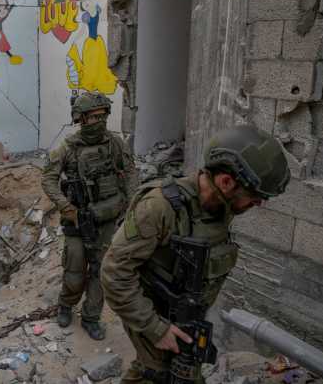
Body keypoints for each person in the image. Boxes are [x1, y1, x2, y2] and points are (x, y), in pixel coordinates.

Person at [101, 125, 291, 383]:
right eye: (254, 198)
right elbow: (114, 273)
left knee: (171, 370)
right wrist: (157, 329)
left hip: (188, 317)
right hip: (152, 315)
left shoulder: (219, 208)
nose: (258, 204)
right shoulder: (159, 208)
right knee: (158, 372)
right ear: (226, 182)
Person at [41, 91, 138, 340]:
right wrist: (66, 207)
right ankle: (66, 305)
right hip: (77, 219)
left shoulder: (115, 144)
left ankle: (92, 317)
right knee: (74, 269)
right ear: (80, 119)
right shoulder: (68, 147)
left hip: (106, 219)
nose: (98, 122)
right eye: (92, 117)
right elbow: (48, 179)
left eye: (102, 116)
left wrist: (129, 207)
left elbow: (130, 175)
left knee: (100, 271)